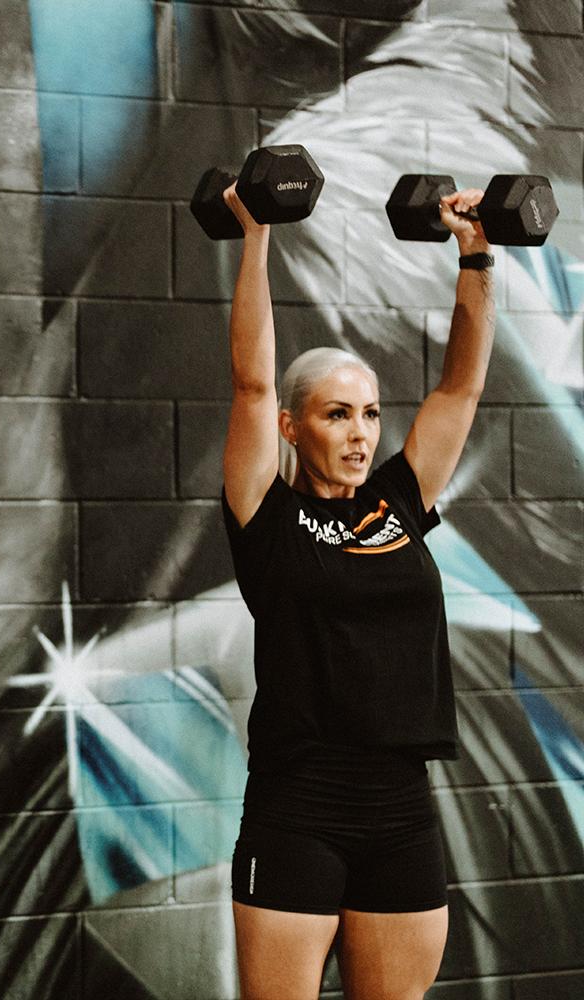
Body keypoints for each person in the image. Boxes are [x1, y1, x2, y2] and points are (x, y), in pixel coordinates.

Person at [219, 178, 495, 999]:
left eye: (370, 414)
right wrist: (257, 237)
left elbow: (461, 387)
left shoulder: (398, 502)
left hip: (401, 807)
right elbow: (251, 386)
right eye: (338, 415)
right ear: (294, 427)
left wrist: (476, 253)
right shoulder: (265, 516)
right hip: (297, 805)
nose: (361, 433)